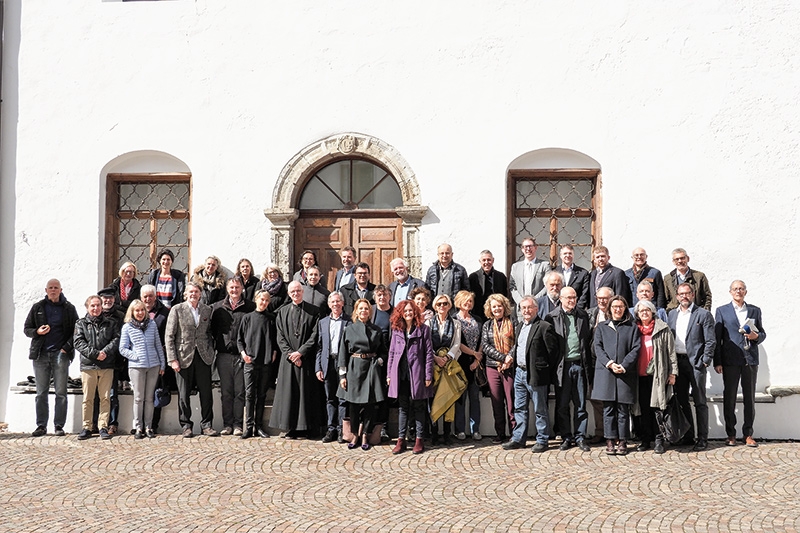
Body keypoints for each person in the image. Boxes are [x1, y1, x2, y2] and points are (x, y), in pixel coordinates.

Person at [23, 279, 79, 437]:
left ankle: (59, 425)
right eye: (50, 288)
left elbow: (76, 332)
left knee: (61, 392)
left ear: (61, 290)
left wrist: (65, 349)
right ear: (46, 290)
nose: (53, 290)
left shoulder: (69, 308)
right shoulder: (38, 307)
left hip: (60, 354)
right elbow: (27, 329)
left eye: (56, 288)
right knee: (41, 392)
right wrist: (37, 332)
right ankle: (41, 425)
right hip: (41, 355)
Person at [502, 297, 559, 453]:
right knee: (519, 407)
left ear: (536, 309)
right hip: (519, 372)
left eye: (529, 308)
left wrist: (543, 369)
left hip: (536, 374)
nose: (526, 311)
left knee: (540, 409)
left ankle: (542, 440)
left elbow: (552, 352)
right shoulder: (520, 326)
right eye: (523, 308)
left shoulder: (544, 326)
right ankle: (519, 438)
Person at [714, 280, 766, 447]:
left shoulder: (754, 310)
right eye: (735, 289)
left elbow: (762, 333)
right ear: (730, 292)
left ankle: (748, 434)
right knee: (729, 398)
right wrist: (718, 361)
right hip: (730, 360)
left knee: (749, 398)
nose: (738, 291)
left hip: (749, 359)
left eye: (741, 288)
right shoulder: (722, 311)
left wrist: (756, 337)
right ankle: (731, 434)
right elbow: (718, 338)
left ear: (746, 291)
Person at [165, 282, 219, 438]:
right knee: (183, 393)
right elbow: (169, 336)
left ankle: (207, 425)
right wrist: (172, 359)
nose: (194, 294)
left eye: (196, 291)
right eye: (191, 292)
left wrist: (211, 351)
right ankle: (186, 425)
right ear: (185, 294)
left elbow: (209, 333)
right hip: (183, 357)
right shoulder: (177, 310)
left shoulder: (206, 310)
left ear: (200, 294)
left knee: (206, 393)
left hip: (203, 356)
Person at [666, 282, 716, 451]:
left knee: (700, 401)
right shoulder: (672, 314)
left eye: (687, 293)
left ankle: (703, 438)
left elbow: (710, 340)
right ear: (677, 296)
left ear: (693, 295)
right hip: (678, 363)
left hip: (696, 363)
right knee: (681, 401)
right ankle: (688, 435)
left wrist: (705, 361)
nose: (684, 297)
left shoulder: (703, 314)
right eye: (681, 294)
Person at [270, 281, 321, 438]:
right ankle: (290, 427)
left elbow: (315, 335)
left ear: (302, 291)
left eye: (298, 290)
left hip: (306, 359)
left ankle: (308, 427)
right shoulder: (282, 312)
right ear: (288, 293)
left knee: (307, 393)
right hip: (288, 360)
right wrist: (291, 354)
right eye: (292, 291)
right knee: (290, 394)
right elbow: (280, 336)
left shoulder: (314, 311)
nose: (296, 293)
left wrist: (301, 352)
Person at [592, 295, 640, 456]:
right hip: (606, 373)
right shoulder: (602, 327)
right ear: (609, 309)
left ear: (625, 309)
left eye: (620, 306)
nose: (617, 309)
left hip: (625, 374)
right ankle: (610, 440)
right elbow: (597, 348)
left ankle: (623, 441)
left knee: (622, 409)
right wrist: (610, 364)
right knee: (608, 410)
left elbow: (635, 348)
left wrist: (624, 365)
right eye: (614, 307)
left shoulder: (632, 327)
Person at [546, 286, 592, 452]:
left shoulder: (582, 315)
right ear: (561, 299)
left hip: (579, 364)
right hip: (562, 367)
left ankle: (580, 437)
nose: (572, 300)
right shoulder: (552, 317)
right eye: (568, 298)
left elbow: (587, 340)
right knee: (562, 404)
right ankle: (566, 437)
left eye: (574, 297)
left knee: (581, 404)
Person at [338, 299, 388, 450]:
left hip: (371, 368)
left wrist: (379, 361)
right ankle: (354, 434)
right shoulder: (349, 329)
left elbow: (384, 351)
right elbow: (342, 353)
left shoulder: (376, 330)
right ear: (356, 311)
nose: (364, 311)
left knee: (370, 404)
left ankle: (366, 433)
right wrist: (342, 375)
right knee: (353, 405)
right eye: (361, 309)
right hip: (354, 367)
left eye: (366, 309)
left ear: (369, 311)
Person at [386, 299, 434, 455]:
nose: (408, 313)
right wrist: (389, 374)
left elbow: (428, 354)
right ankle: (401, 440)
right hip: (401, 374)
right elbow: (392, 353)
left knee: (419, 406)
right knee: (403, 407)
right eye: (405, 311)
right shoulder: (396, 330)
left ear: (415, 313)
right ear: (401, 313)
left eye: (410, 311)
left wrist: (428, 375)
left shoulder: (423, 330)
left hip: (417, 374)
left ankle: (419, 440)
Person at [211, 277, 256, 436]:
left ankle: (238, 424)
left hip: (242, 356)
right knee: (226, 392)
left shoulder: (250, 307)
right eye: (231, 287)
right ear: (227, 289)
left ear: (242, 288)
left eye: (237, 287)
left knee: (239, 392)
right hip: (223, 355)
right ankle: (227, 424)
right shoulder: (217, 308)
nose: (234, 290)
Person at [633, 300, 677, 454]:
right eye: (641, 311)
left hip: (658, 376)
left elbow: (671, 352)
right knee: (643, 409)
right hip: (640, 375)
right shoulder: (634, 330)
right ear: (637, 314)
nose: (644, 313)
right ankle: (645, 439)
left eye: (647, 310)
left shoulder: (662, 328)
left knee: (657, 409)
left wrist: (673, 373)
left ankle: (659, 440)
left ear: (652, 312)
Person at [74, 295, 120, 440]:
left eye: (98, 305)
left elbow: (116, 339)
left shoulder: (111, 323)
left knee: (105, 398)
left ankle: (103, 427)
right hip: (88, 366)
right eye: (92, 306)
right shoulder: (80, 323)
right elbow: (78, 342)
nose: (96, 308)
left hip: (106, 365)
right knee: (88, 398)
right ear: (87, 307)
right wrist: (95, 354)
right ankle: (87, 427)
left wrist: (105, 352)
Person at [119, 299, 165, 439]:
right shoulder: (127, 327)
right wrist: (135, 356)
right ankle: (138, 427)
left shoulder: (151, 324)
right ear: (132, 312)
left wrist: (162, 364)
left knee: (149, 398)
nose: (140, 313)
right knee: (139, 398)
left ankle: (148, 426)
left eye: (142, 310)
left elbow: (158, 345)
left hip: (153, 365)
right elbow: (122, 348)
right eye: (137, 310)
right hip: (136, 366)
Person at [237, 289, 277, 439]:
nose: (264, 303)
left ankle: (258, 427)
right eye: (262, 299)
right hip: (250, 361)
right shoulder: (247, 318)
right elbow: (239, 339)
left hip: (265, 361)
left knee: (261, 395)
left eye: (267, 300)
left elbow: (274, 340)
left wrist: (274, 352)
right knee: (249, 394)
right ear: (256, 299)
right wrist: (244, 354)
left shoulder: (271, 319)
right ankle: (248, 427)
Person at [315, 291, 352, 443]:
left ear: (342, 303)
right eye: (333, 302)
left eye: (338, 301)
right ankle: (331, 428)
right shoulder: (323, 322)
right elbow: (319, 347)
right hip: (328, 362)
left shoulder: (349, 322)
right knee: (330, 398)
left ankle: (342, 431)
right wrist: (318, 367)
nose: (335, 304)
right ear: (329, 305)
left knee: (342, 398)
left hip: (343, 364)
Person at [480, 293, 517, 444]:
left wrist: (510, 357)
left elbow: (517, 342)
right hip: (492, 367)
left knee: (511, 402)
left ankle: (514, 433)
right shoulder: (487, 325)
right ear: (490, 308)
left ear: (504, 307)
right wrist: (503, 358)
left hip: (510, 367)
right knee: (497, 402)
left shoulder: (513, 323)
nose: (497, 309)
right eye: (494, 306)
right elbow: (486, 346)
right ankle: (500, 433)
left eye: (499, 306)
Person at [426, 294, 462, 445]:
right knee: (433, 397)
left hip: (448, 364)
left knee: (448, 397)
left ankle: (447, 433)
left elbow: (457, 343)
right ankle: (434, 433)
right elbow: (426, 342)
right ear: (435, 306)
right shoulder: (428, 322)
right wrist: (435, 358)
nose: (442, 306)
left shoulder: (456, 323)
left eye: (445, 304)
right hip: (433, 364)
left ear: (449, 306)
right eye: (439, 304)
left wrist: (446, 358)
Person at [140, 284, 174, 434]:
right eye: (145, 296)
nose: (148, 299)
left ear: (155, 297)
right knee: (141, 393)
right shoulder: (136, 312)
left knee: (155, 392)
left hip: (158, 358)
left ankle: (153, 424)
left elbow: (170, 334)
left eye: (150, 296)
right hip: (140, 359)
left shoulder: (164, 313)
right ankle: (139, 424)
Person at [94, 286, 125, 435]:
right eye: (105, 298)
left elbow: (120, 338)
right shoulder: (93, 315)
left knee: (112, 394)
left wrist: (107, 352)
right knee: (95, 394)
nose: (107, 300)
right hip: (95, 360)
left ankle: (112, 423)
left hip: (113, 360)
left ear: (114, 299)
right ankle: (96, 423)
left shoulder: (120, 316)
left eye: (110, 298)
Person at [453, 290, 483, 441]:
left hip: (475, 364)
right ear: (459, 302)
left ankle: (475, 429)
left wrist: (477, 359)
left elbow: (482, 340)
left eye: (470, 301)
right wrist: (473, 354)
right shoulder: (454, 320)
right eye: (465, 301)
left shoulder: (477, 319)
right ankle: (459, 429)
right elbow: (457, 343)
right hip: (460, 363)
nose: (468, 303)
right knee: (460, 398)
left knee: (474, 398)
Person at [586, 286, 614, 443]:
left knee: (612, 399)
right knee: (595, 398)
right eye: (599, 298)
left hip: (611, 362)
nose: (602, 301)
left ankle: (613, 433)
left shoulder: (618, 313)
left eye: (605, 298)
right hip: (594, 363)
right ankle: (600, 431)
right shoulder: (591, 313)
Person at [509, 237, 551, 308]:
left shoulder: (544, 265)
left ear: (535, 247)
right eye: (525, 247)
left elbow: (548, 285)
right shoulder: (515, 267)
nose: (528, 249)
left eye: (530, 246)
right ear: (522, 249)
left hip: (539, 306)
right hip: (521, 308)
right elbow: (512, 286)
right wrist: (521, 302)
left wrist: (534, 301)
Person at [468, 249, 509, 315]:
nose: (486, 262)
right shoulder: (473, 277)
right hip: (479, 313)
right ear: (480, 261)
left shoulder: (501, 276)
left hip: (496, 312)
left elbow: (505, 295)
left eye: (489, 260)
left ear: (493, 260)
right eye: (484, 260)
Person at [554, 244, 590, 309]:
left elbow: (584, 294)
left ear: (573, 255)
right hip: (558, 310)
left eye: (570, 253)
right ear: (560, 256)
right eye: (565, 253)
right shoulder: (554, 272)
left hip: (576, 310)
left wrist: (577, 309)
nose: (567, 255)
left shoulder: (583, 273)